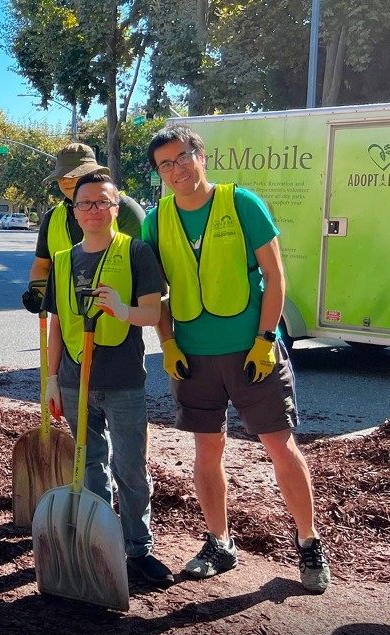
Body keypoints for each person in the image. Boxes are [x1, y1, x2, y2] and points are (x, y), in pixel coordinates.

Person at [143, 125, 331, 594]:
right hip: (194, 357)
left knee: (279, 446)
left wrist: (266, 339)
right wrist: (167, 343)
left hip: (252, 353)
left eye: (182, 157)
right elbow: (157, 293)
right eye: (165, 164)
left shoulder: (241, 203)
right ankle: (219, 542)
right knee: (206, 451)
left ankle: (309, 543)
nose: (176, 169)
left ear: (200, 155)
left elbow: (275, 274)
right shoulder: (155, 219)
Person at [43, 173, 173, 587]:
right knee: (89, 465)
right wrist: (49, 378)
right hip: (72, 381)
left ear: (116, 209)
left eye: (103, 202)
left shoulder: (137, 253)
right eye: (86, 204)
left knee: (131, 468)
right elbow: (59, 324)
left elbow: (153, 314)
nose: (94, 210)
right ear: (75, 212)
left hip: (124, 382)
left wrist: (121, 309)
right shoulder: (63, 261)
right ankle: (99, 544)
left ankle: (138, 549)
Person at [23, 143, 145, 314]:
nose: (65, 180)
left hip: (119, 325)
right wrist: (41, 295)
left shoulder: (126, 210)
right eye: (61, 176)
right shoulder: (53, 218)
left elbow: (146, 272)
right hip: (68, 323)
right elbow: (41, 266)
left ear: (93, 173)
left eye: (73, 173)